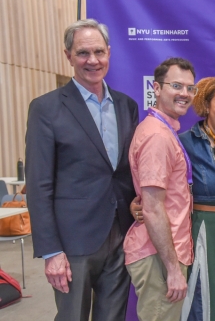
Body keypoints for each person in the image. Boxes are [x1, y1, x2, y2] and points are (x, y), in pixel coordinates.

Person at [25, 19, 138, 321]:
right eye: (83, 53)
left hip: (121, 234)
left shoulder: (127, 106)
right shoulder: (46, 109)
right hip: (72, 243)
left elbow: (126, 172)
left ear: (109, 53)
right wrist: (51, 252)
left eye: (99, 52)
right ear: (68, 56)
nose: (93, 60)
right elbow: (39, 185)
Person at [132, 74, 215, 321]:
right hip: (200, 230)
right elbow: (164, 189)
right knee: (201, 301)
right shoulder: (184, 142)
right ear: (207, 105)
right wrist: (137, 204)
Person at [124, 58, 196, 320]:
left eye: (190, 88)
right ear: (156, 88)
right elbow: (153, 209)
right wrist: (173, 269)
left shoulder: (164, 130)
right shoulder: (158, 136)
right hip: (159, 256)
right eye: (176, 86)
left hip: (164, 252)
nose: (185, 94)